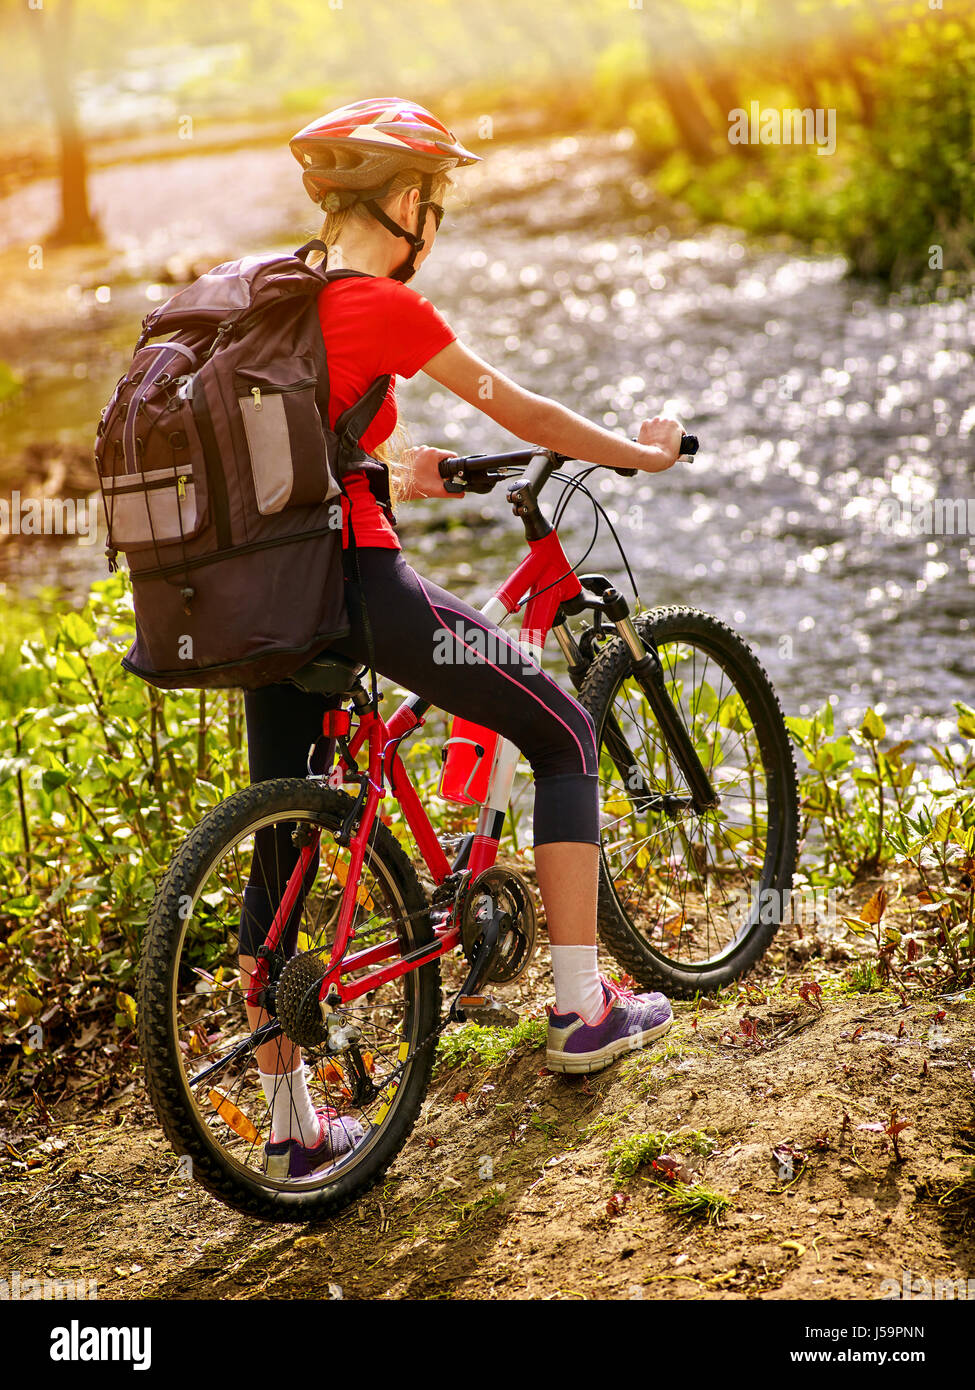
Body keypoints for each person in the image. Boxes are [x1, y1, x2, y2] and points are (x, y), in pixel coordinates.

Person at [243, 98, 684, 1175]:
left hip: (263, 601)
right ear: (405, 204)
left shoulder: (271, 301)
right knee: (568, 731)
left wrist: (399, 465)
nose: (430, 221)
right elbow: (521, 411)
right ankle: (584, 1009)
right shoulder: (379, 303)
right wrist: (641, 453)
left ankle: (298, 1130)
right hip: (360, 588)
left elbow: (294, 449)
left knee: (282, 846)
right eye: (430, 202)